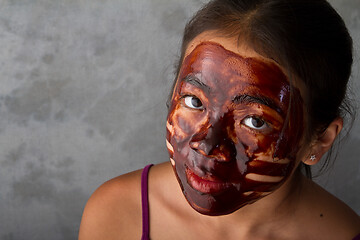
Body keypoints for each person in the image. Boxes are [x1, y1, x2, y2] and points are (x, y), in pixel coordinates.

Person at [79, 0, 360, 239]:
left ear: (320, 139)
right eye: (194, 101)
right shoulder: (116, 215)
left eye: (255, 121)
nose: (208, 143)